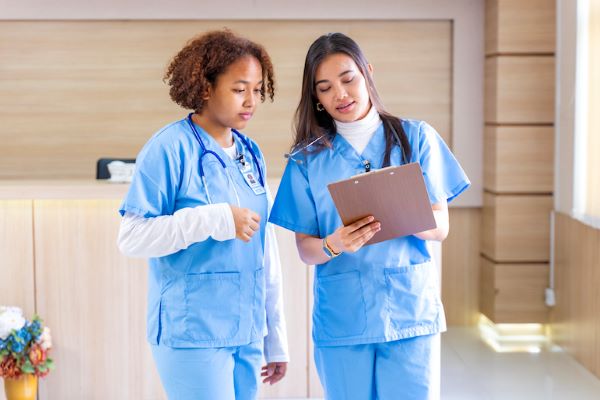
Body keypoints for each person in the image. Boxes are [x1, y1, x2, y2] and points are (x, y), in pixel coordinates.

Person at [269, 32, 470, 400]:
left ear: (367, 73)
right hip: (343, 318)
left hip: (409, 312)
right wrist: (334, 243)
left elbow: (441, 227)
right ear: (316, 97)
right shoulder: (306, 160)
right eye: (326, 88)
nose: (341, 95)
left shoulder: (416, 138)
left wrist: (405, 212)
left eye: (348, 79)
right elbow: (305, 250)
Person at [117, 30, 289, 400]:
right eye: (240, 88)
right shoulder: (168, 149)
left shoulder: (249, 152)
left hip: (246, 331)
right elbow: (131, 237)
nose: (252, 101)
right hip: (192, 332)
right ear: (206, 87)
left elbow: (265, 250)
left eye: (258, 90)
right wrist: (214, 219)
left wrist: (275, 337)